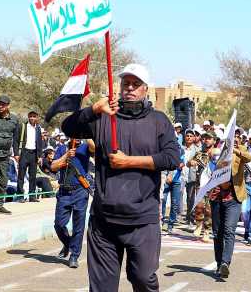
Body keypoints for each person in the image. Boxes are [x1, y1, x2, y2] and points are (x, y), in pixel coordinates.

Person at [61, 63, 180, 292]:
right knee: (102, 288)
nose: (130, 88)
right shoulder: (105, 117)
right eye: (126, 83)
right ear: (120, 87)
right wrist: (93, 109)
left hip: (142, 220)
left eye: (136, 84)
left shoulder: (158, 120)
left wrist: (130, 161)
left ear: (146, 89)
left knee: (143, 279)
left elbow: (172, 158)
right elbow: (68, 128)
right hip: (104, 221)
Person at [208, 133, 251, 278]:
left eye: (236, 140)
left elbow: (248, 157)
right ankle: (219, 263)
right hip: (217, 198)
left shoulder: (241, 150)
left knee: (229, 230)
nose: (233, 141)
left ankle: (226, 263)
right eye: (230, 140)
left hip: (234, 198)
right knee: (217, 233)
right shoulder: (217, 151)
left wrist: (236, 150)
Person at [52, 138, 95, 268]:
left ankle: (74, 256)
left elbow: (95, 148)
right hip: (64, 192)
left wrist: (87, 132)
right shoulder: (61, 148)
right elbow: (53, 166)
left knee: (78, 226)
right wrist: (66, 155)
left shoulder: (85, 147)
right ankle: (68, 244)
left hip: (80, 191)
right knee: (59, 224)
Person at [17, 110, 44, 202]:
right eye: (31, 116)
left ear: (37, 118)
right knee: (21, 175)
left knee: (33, 176)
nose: (32, 118)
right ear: (28, 117)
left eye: (34, 116)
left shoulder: (38, 128)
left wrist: (40, 156)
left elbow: (40, 143)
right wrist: (16, 154)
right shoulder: (23, 126)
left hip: (34, 154)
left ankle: (32, 196)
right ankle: (20, 196)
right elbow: (16, 140)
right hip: (24, 153)